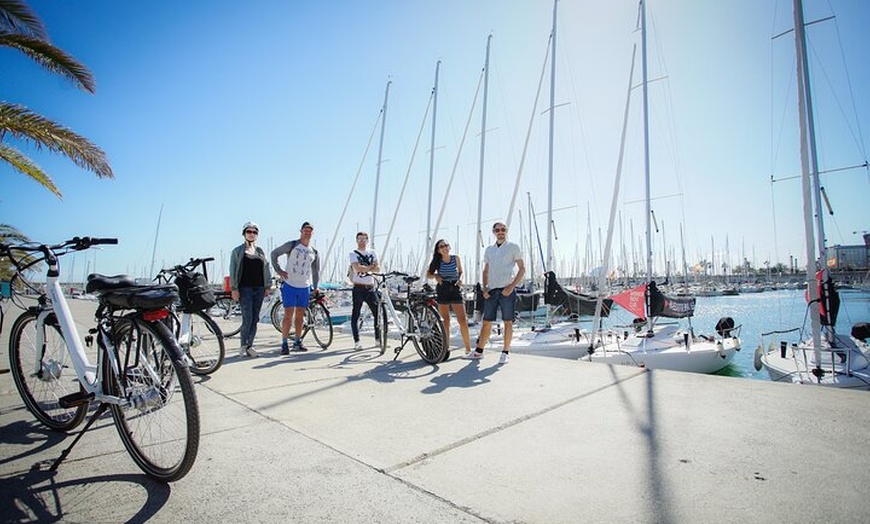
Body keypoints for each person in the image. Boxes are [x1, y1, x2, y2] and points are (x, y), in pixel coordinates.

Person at [465, 221, 525, 364]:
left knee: (507, 322)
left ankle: (505, 352)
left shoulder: (513, 247)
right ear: (493, 232)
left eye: (503, 229)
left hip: (507, 290)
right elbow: (486, 270)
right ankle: (479, 352)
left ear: (506, 231)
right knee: (486, 322)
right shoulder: (489, 250)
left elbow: (522, 269)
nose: (500, 232)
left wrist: (511, 287)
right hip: (491, 291)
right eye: (497, 230)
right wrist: (485, 287)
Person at [271, 221, 320, 355]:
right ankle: (284, 343)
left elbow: (315, 271)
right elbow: (274, 254)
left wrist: (315, 287)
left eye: (310, 230)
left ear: (312, 233)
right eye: (305, 230)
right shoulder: (292, 245)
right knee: (288, 315)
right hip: (290, 285)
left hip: (304, 287)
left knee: (300, 315)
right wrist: (279, 270)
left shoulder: (314, 251)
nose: (307, 232)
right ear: (301, 231)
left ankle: (297, 341)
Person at [229, 221, 272, 358]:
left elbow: (265, 268)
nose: (252, 234)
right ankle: (243, 345)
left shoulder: (260, 251)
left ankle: (250, 346)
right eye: (249, 231)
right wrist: (234, 288)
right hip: (245, 288)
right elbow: (233, 270)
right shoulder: (237, 251)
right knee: (247, 318)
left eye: (254, 232)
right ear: (244, 233)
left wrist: (267, 286)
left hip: (259, 288)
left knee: (255, 319)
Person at [426, 239, 471, 358]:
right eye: (441, 246)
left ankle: (468, 349)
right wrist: (436, 275)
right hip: (443, 289)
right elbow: (428, 274)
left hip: (455, 288)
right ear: (438, 250)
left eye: (446, 245)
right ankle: (446, 348)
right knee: (445, 321)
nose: (445, 248)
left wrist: (460, 279)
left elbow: (461, 271)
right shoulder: (437, 261)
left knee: (463, 320)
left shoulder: (455, 258)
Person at [348, 231, 380, 350]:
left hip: (370, 288)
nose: (362, 241)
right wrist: (370, 267)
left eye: (364, 239)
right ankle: (357, 342)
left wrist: (366, 269)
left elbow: (378, 268)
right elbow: (357, 268)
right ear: (356, 240)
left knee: (377, 313)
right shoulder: (353, 253)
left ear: (367, 240)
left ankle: (378, 339)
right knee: (355, 314)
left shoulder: (373, 252)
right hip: (358, 287)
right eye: (359, 239)